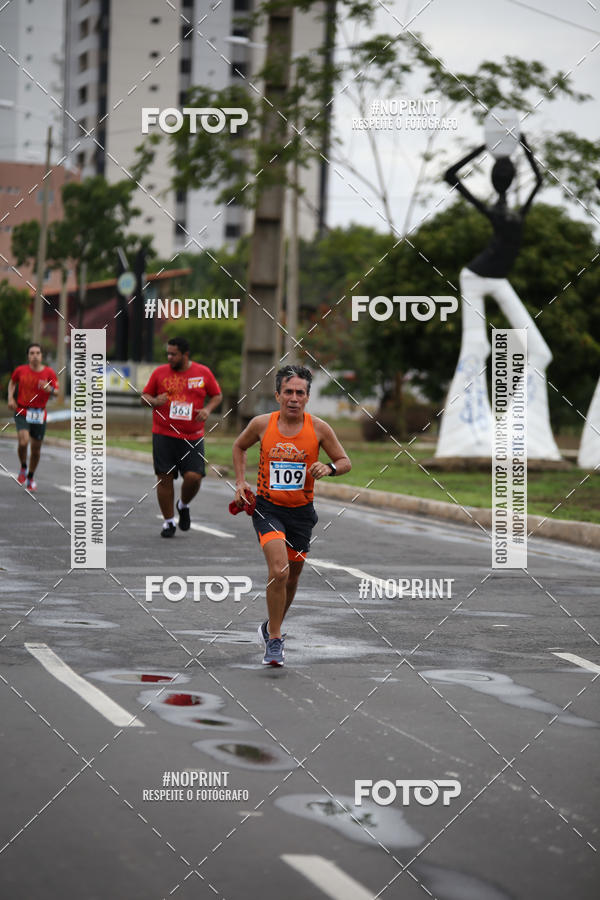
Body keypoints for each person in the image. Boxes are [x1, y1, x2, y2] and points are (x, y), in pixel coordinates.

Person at [436, 134, 560, 459]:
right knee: (476, 348)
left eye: (509, 173)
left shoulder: (517, 212)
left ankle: (517, 432)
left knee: (540, 352)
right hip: (474, 278)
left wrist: (522, 145)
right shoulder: (496, 212)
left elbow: (540, 180)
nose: (507, 177)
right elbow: (450, 175)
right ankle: (469, 433)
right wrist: (485, 147)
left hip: (498, 279)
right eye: (504, 174)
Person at [232, 365, 351, 667]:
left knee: (293, 576)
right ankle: (275, 639)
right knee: (279, 570)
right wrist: (241, 482)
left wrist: (329, 468)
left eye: (300, 393)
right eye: (288, 392)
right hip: (268, 509)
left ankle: (270, 625)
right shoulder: (262, 424)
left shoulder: (319, 428)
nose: (294, 398)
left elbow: (344, 461)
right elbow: (239, 446)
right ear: (277, 395)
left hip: (301, 513)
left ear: (308, 397)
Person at [142, 337, 222, 537]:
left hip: (192, 436)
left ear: (185, 354)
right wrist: (154, 401)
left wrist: (207, 409)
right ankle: (168, 522)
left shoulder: (203, 373)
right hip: (163, 434)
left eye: (174, 354)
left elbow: (217, 395)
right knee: (164, 478)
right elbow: (144, 396)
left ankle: (183, 505)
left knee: (194, 477)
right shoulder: (159, 373)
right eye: (168, 353)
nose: (169, 357)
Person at [7, 343, 58, 491]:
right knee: (23, 442)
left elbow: (57, 391)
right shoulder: (20, 370)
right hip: (22, 410)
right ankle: (23, 467)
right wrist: (10, 398)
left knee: (36, 450)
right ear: (28, 356)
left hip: (39, 413)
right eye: (32, 353)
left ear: (41, 356)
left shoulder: (49, 372)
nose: (35, 356)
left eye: (37, 353)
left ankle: (30, 477)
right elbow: (12, 382)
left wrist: (50, 389)